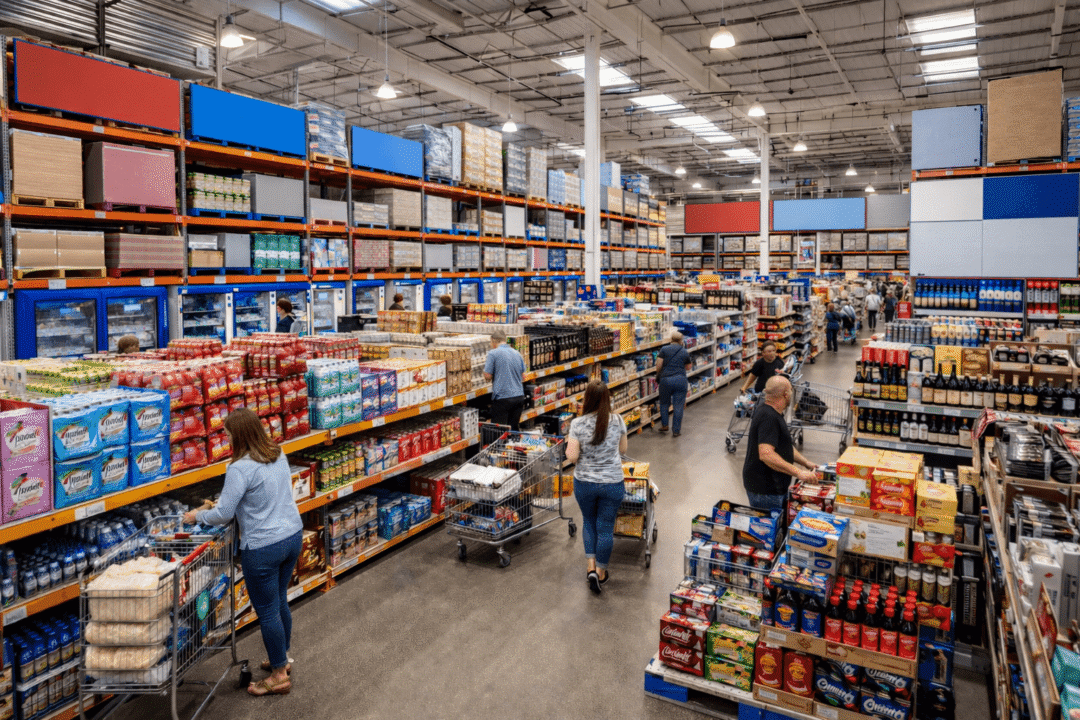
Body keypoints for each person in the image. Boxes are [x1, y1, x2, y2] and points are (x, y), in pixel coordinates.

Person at [183, 408, 302, 696]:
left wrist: (196, 517)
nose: (225, 440)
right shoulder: (277, 452)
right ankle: (281, 659)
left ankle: (277, 676)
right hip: (292, 536)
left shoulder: (239, 467)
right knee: (280, 601)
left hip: (263, 547)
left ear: (239, 436)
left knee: (268, 611)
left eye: (227, 435)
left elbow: (224, 513)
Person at [566, 380, 627, 594]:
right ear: (607, 399)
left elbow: (572, 457)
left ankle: (590, 567)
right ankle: (601, 572)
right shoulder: (618, 420)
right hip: (612, 482)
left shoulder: (578, 424)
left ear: (587, 399)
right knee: (605, 527)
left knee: (589, 522)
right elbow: (623, 449)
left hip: (585, 483)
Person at [741, 376, 818, 510]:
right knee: (768, 528)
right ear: (786, 394)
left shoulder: (772, 412)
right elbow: (766, 454)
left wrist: (806, 463)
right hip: (765, 490)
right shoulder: (769, 417)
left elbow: (784, 446)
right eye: (791, 391)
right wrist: (798, 472)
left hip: (772, 487)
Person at [483, 329, 526, 430]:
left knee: (500, 433)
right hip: (519, 397)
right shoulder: (517, 353)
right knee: (513, 430)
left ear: (493, 341)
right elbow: (523, 376)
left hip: (503, 398)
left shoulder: (493, 353)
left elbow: (487, 375)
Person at [655, 331, 691, 437]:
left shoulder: (664, 349)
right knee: (678, 406)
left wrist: (660, 374)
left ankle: (665, 425)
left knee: (664, 403)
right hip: (680, 380)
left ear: (671, 339)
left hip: (666, 380)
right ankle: (676, 431)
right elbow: (688, 367)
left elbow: (658, 366)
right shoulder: (684, 351)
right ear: (681, 340)